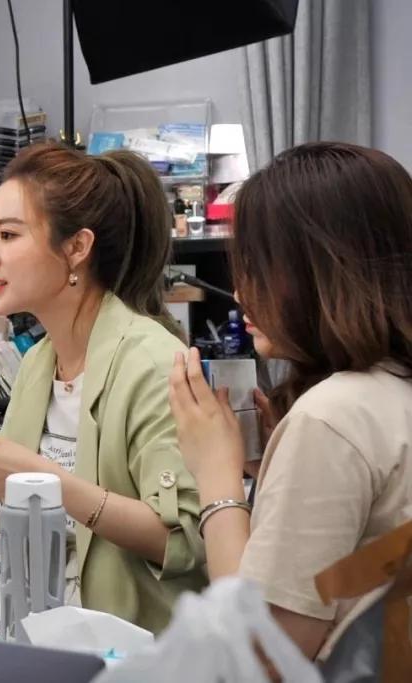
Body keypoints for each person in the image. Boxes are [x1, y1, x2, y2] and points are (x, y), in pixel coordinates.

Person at [0, 142, 207, 633]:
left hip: (133, 649)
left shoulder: (153, 363)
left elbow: (182, 538)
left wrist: (46, 481)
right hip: (45, 632)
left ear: (76, 248)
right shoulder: (38, 364)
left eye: (9, 234)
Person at [169, 141, 412, 660]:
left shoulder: (333, 417)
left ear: (322, 268)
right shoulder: (388, 392)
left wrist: (217, 478)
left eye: (260, 266)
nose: (241, 292)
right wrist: (276, 473)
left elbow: (262, 657)